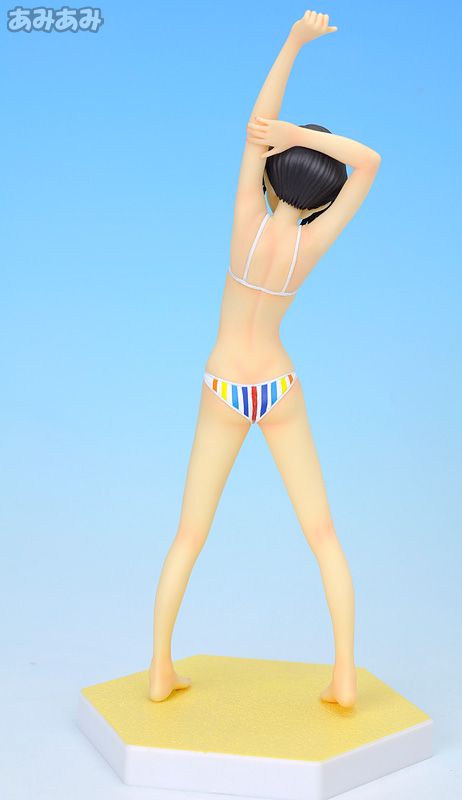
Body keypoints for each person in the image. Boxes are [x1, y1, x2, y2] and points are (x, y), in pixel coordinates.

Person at [148, 10, 381, 708]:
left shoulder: (245, 223)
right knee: (323, 534)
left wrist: (292, 46)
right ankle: (344, 675)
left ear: (272, 175)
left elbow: (256, 127)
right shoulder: (313, 243)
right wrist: (306, 140)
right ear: (325, 197)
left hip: (224, 384)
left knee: (189, 534)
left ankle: (159, 668)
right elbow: (369, 162)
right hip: (278, 386)